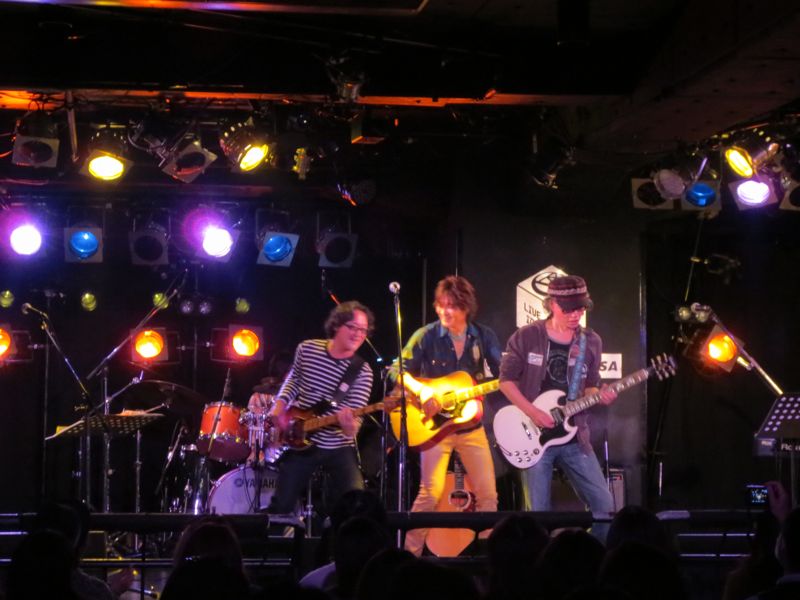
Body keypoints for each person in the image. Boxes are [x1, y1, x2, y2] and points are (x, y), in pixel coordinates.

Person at [499, 275, 616, 536]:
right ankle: (540, 560)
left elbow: (591, 385)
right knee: (537, 516)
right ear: (552, 304)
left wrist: (599, 394)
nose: (576, 315)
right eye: (569, 309)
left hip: (575, 437)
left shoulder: (591, 341)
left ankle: (593, 556)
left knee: (605, 507)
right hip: (534, 437)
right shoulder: (528, 336)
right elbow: (505, 381)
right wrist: (533, 413)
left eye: (580, 308)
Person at [392, 275, 501, 556]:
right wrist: (422, 393)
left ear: (465, 307)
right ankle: (408, 556)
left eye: (451, 305)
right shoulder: (426, 335)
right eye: (440, 305)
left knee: (488, 495)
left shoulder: (483, 336)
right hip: (435, 429)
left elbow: (505, 373)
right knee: (430, 494)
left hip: (471, 427)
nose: (444, 311)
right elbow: (396, 371)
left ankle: (488, 558)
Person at [263, 301, 375, 515]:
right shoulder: (307, 349)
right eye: (352, 327)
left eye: (363, 330)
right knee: (281, 506)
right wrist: (279, 406)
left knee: (357, 504)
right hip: (299, 438)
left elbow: (355, 423)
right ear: (336, 325)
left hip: (338, 445)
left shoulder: (363, 371)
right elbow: (294, 380)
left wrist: (350, 427)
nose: (358, 334)